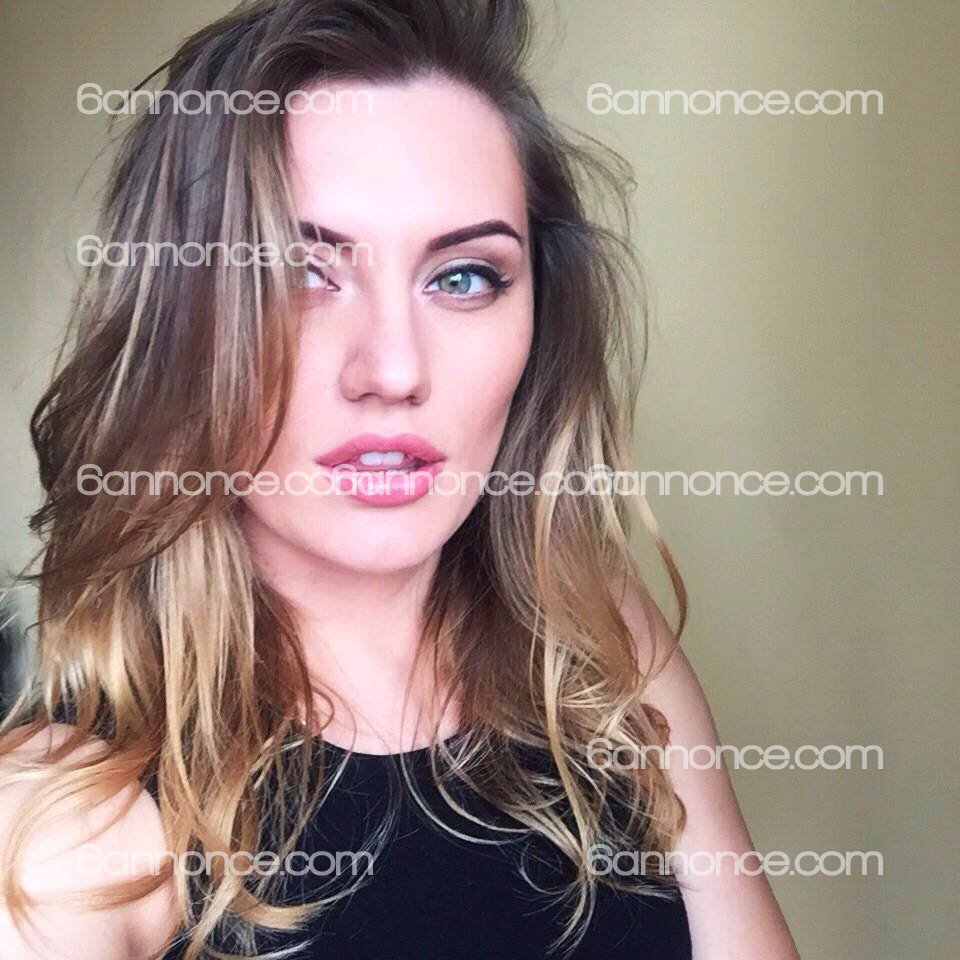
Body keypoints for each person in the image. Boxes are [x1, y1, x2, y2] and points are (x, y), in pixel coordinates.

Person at [0, 2, 799, 958]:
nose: (392, 368)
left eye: (462, 278)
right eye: (299, 272)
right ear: (178, 325)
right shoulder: (64, 834)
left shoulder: (597, 648)